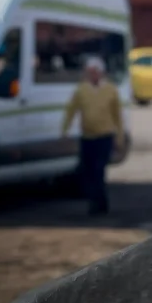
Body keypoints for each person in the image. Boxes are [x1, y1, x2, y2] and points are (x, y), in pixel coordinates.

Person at [61, 56, 124, 215]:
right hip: (87, 138)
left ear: (101, 73)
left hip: (104, 137)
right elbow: (71, 110)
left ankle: (98, 204)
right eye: (89, 72)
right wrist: (65, 130)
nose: (92, 75)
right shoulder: (81, 90)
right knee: (87, 171)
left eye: (95, 72)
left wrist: (119, 137)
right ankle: (96, 200)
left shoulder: (110, 90)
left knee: (99, 170)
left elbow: (117, 115)